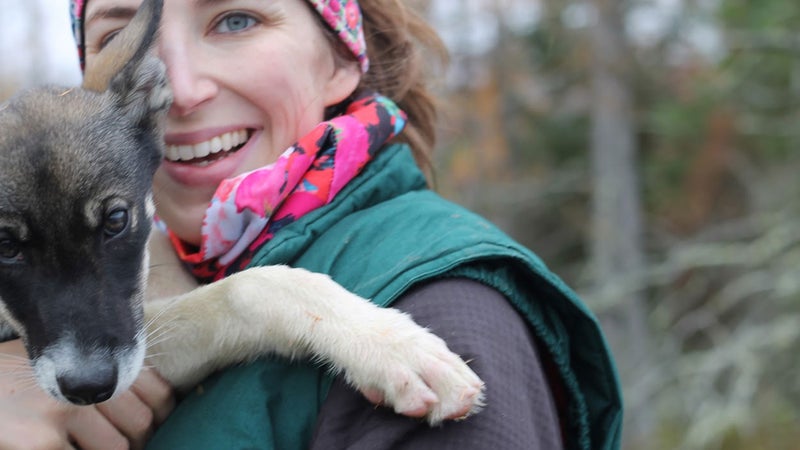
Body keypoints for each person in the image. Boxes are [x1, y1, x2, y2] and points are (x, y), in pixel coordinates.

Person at [0, 0, 623, 448]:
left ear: (340, 58)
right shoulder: (173, 265)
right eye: (119, 36)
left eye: (236, 19)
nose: (178, 88)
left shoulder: (441, 305)